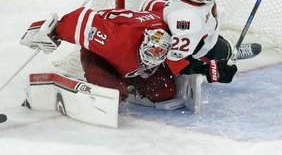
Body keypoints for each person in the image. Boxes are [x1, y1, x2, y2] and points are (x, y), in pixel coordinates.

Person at [141, 0, 265, 83]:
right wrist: (208, 70)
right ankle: (230, 52)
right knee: (220, 48)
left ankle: (219, 42)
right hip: (184, 38)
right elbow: (176, 63)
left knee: (211, 25)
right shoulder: (186, 21)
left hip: (169, 16)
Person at [20, 7, 176, 103]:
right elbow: (80, 21)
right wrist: (51, 31)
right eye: (148, 53)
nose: (150, 58)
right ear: (144, 42)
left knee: (163, 92)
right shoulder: (116, 42)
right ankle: (92, 83)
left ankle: (131, 81)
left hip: (125, 40)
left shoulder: (172, 30)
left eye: (158, 54)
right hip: (100, 53)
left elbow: (158, 4)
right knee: (113, 95)